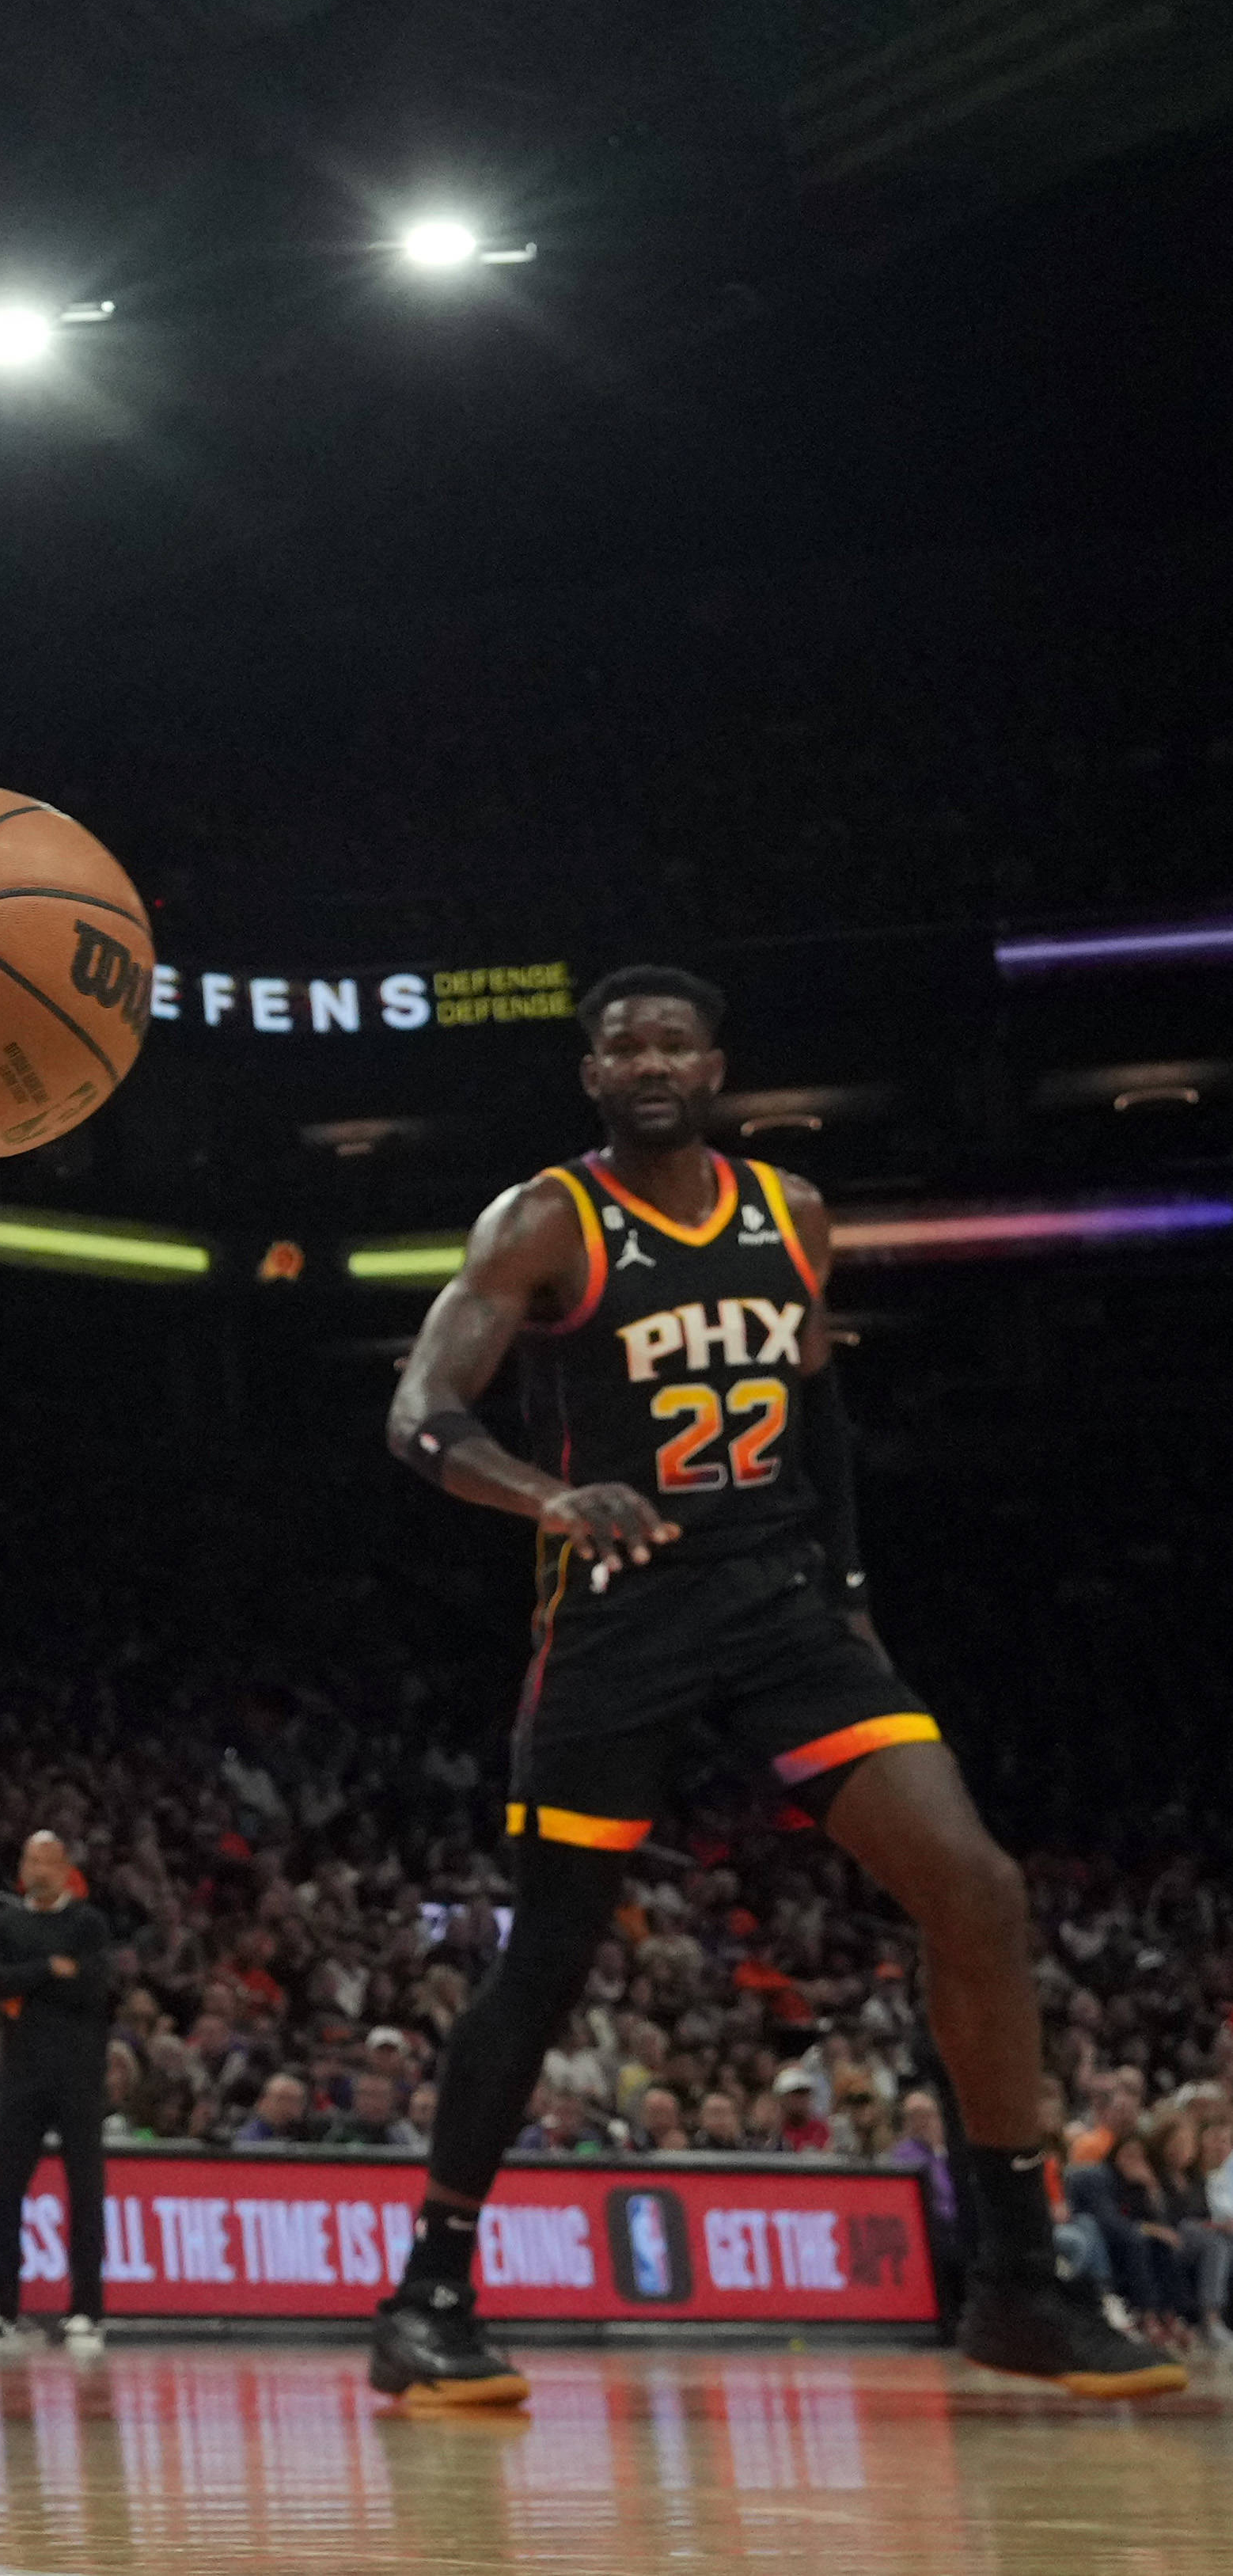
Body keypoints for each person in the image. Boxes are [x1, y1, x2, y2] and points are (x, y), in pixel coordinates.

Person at [374, 967, 1182, 2404]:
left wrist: (852, 1597)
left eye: (670, 1037)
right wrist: (539, 1498)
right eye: (618, 1041)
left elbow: (817, 1411)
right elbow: (417, 1416)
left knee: (976, 1888)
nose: (645, 1057)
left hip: (779, 1607)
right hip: (617, 1619)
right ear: (589, 1076)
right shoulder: (542, 1219)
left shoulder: (790, 1212)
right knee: (547, 1958)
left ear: (714, 1063)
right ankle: (428, 2291)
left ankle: (1015, 2282)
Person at [0, 1831, 115, 2356]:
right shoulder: (3, 1923)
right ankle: (3, 2310)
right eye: (31, 1859)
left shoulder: (89, 1923)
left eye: (50, 1860)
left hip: (79, 2073)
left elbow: (94, 1988)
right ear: (22, 1867)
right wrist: (50, 1968)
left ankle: (87, 2312)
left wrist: (24, 1983)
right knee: (4, 2192)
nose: (40, 1870)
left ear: (66, 1865)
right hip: (21, 2073)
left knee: (85, 2194)